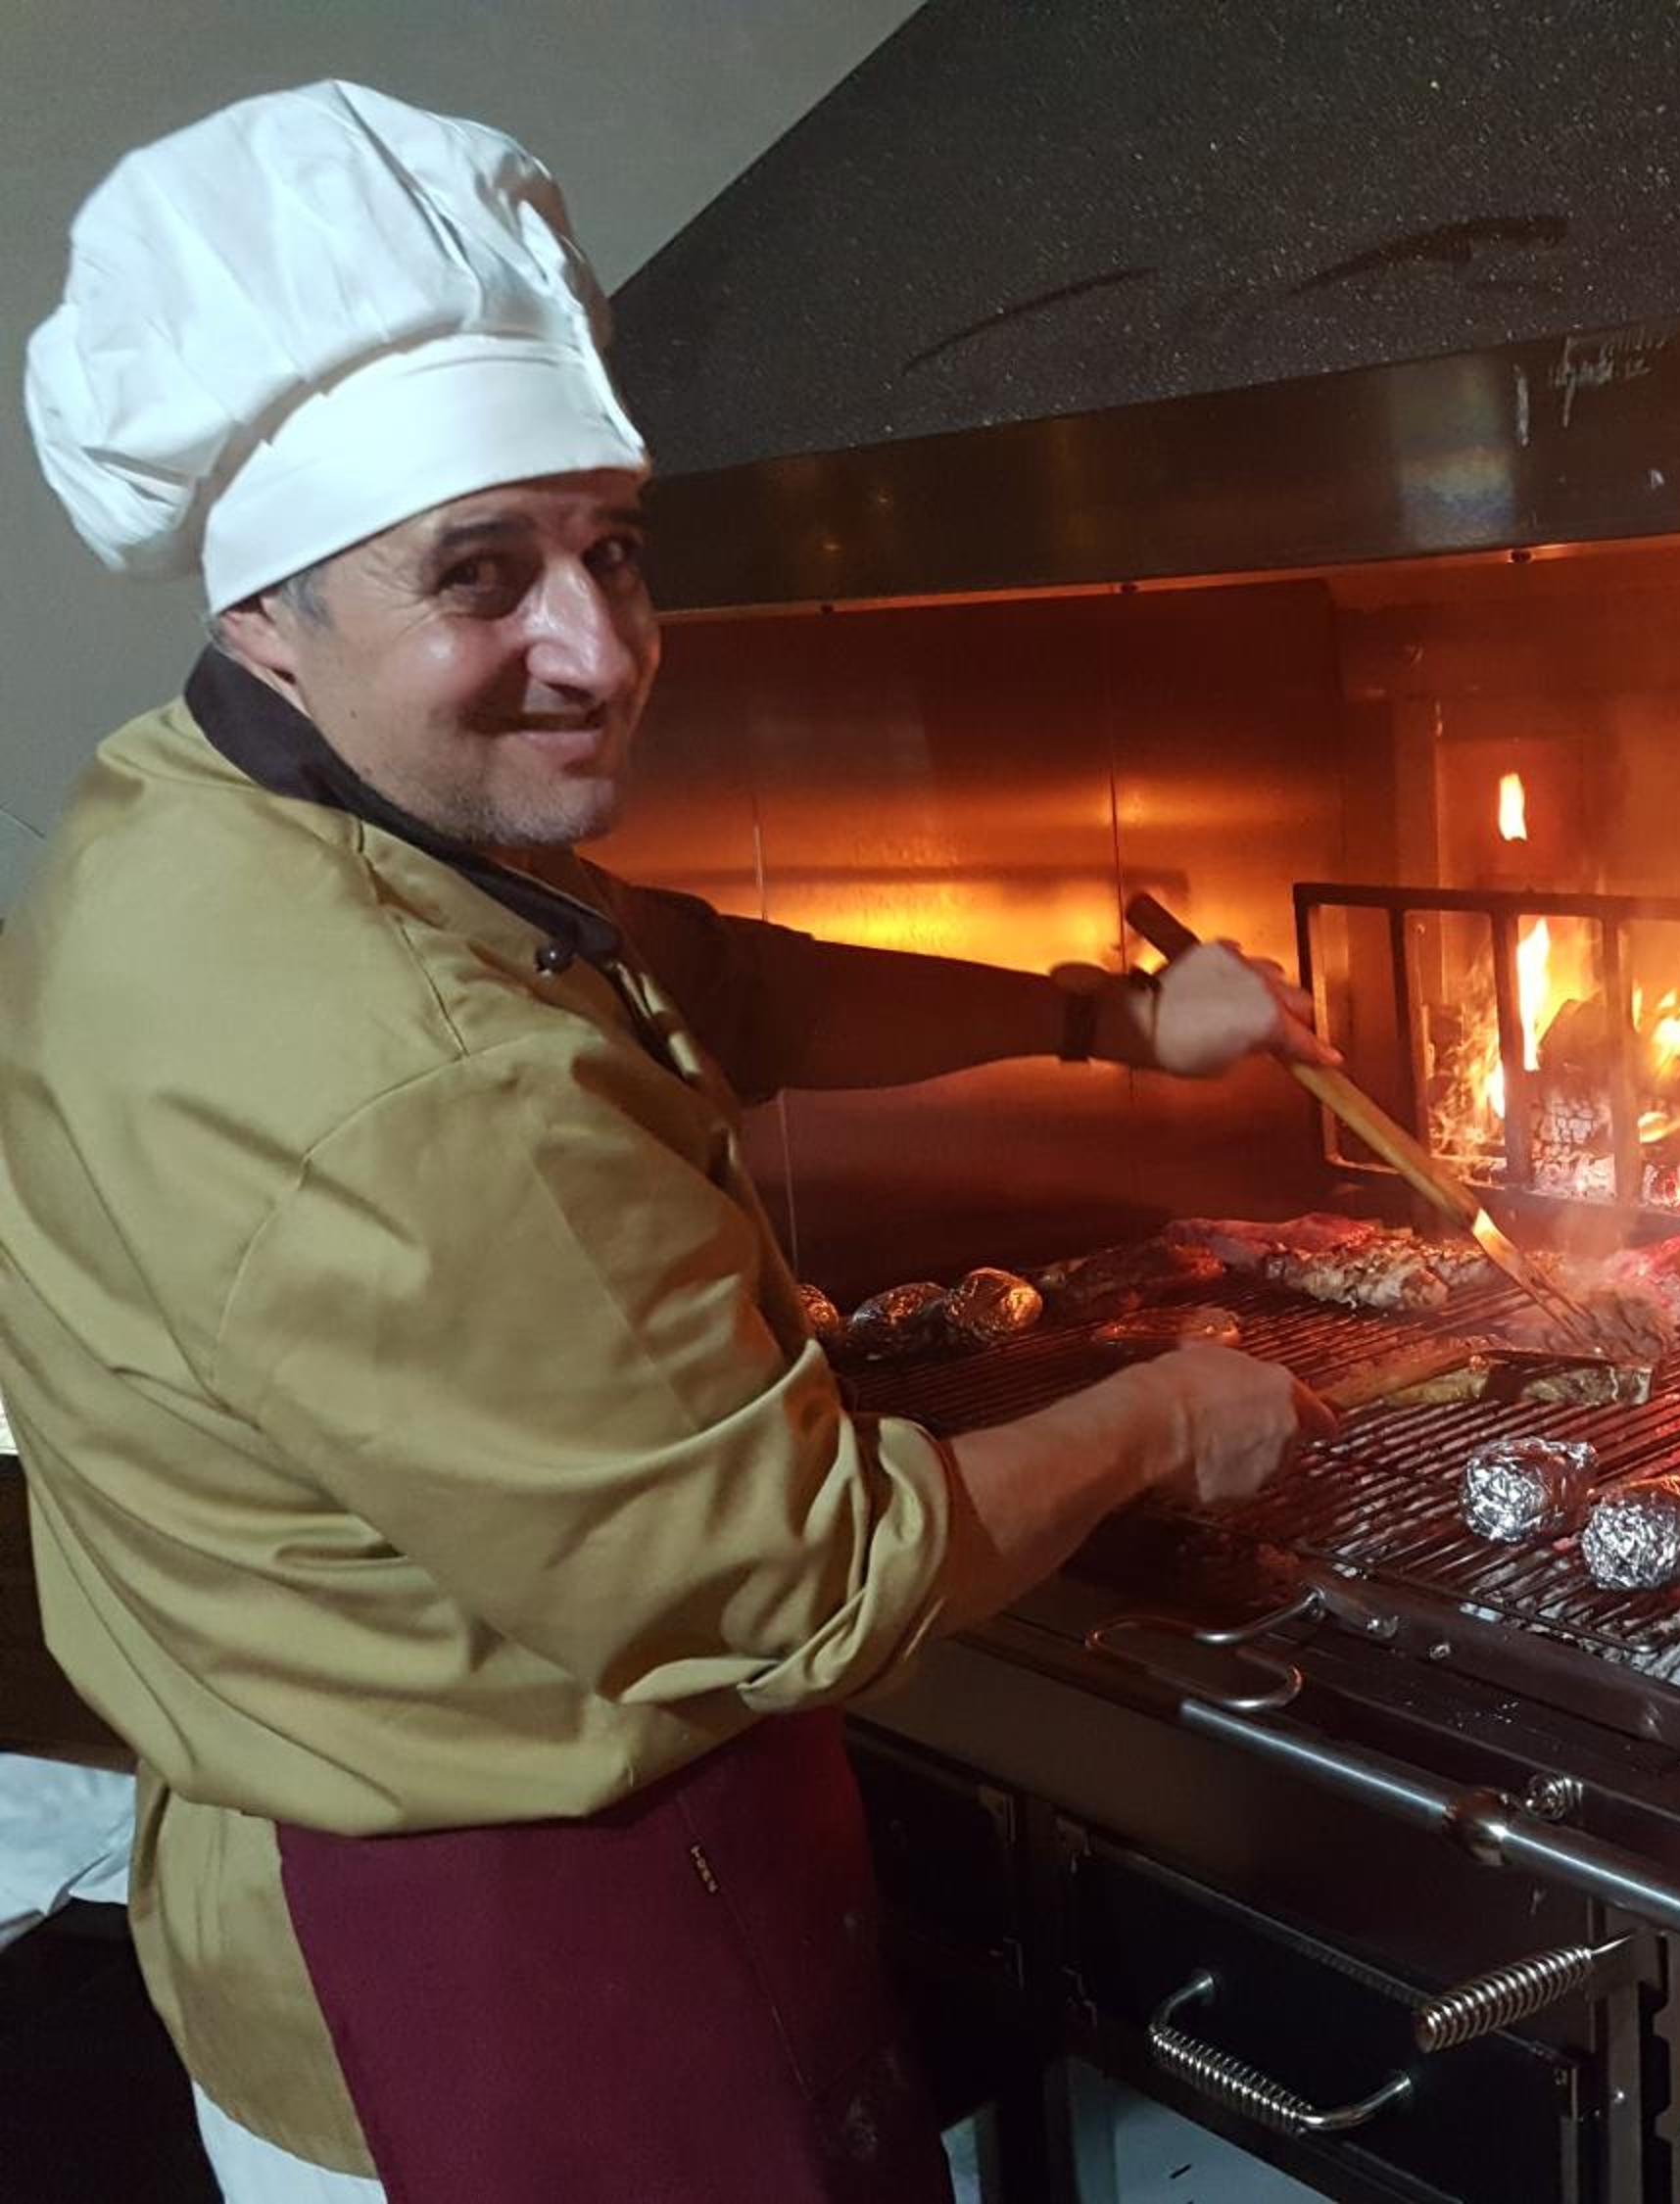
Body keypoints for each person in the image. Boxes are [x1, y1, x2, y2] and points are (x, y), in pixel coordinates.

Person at [4, 81, 1331, 2203]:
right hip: (512, 1956)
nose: (599, 649)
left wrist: (1105, 1021)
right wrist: (1168, 1409)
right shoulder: (423, 1084)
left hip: (301, 1853)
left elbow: (709, 976)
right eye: (480, 574)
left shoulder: (209, 806)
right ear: (268, 611)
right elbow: (809, 1584)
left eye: (611, 547)